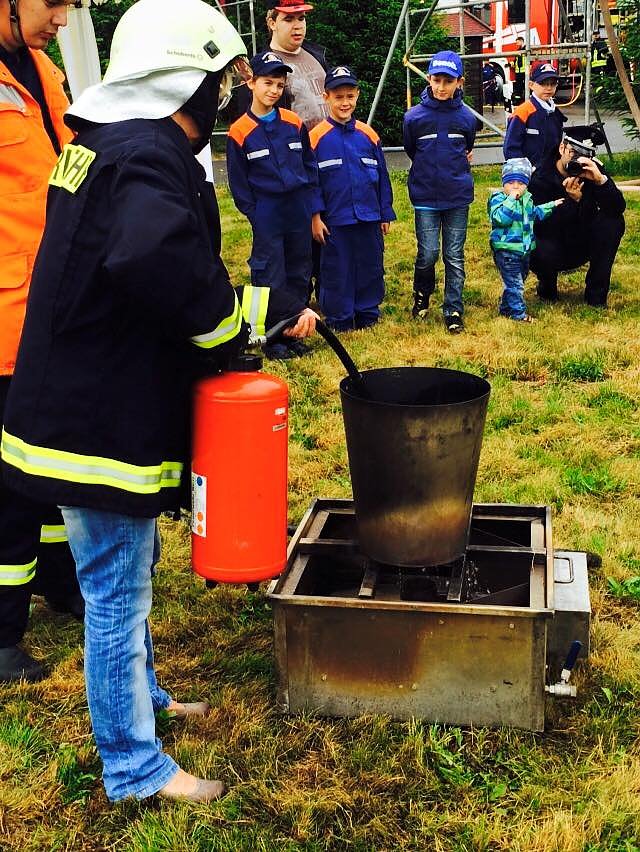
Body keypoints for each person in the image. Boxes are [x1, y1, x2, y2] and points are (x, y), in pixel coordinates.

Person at [1, 0, 316, 804]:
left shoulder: (105, 141)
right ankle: (133, 767)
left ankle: (145, 701)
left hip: (75, 399)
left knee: (125, 575)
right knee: (115, 590)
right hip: (96, 417)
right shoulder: (145, 152)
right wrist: (230, 325)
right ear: (189, 82)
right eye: (217, 81)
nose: (223, 96)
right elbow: (153, 257)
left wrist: (247, 310)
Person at [0, 0, 84, 684]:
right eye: (53, 1)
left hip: (49, 312)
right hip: (3, 326)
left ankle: (61, 583)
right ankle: (1, 637)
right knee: (8, 487)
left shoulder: (43, 70)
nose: (61, 16)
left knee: (52, 459)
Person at [226, 51, 318, 359]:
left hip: (297, 209)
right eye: (268, 83)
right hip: (266, 211)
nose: (274, 91)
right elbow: (239, 184)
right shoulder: (239, 131)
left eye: (280, 85)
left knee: (297, 272)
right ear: (251, 83)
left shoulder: (293, 123)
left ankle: (293, 333)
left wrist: (308, 205)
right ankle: (272, 338)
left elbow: (309, 166)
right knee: (270, 276)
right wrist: (256, 214)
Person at [309, 66, 395, 331]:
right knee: (337, 271)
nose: (345, 102)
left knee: (370, 266)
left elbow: (381, 176)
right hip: (335, 220)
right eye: (338, 97)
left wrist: (385, 212)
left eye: (350, 96)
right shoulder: (315, 138)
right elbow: (310, 183)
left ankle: (367, 311)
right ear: (326, 98)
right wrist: (315, 217)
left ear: (357, 95)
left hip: (368, 217)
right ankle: (340, 317)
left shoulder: (368, 135)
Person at [403, 50, 476, 333]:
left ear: (459, 81)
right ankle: (422, 295)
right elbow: (412, 149)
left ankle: (453, 309)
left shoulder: (466, 118)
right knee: (429, 253)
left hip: (457, 197)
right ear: (429, 79)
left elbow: (467, 147)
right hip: (425, 197)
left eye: (448, 81)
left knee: (454, 256)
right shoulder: (414, 118)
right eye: (436, 80)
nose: (441, 87)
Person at [528, 134, 626, 306]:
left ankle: (596, 296)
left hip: (582, 242)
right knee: (539, 241)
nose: (577, 160)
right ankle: (547, 286)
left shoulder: (591, 170)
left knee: (613, 222)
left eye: (583, 156)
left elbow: (617, 208)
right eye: (573, 152)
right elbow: (540, 224)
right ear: (561, 148)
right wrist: (571, 203)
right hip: (548, 245)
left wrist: (601, 182)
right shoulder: (540, 176)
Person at [488, 157, 563, 322]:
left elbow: (534, 213)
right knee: (515, 284)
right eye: (511, 182)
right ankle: (518, 314)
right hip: (506, 250)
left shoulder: (527, 199)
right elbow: (500, 219)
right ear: (503, 183)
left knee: (517, 280)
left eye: (521, 183)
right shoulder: (499, 199)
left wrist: (551, 205)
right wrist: (510, 200)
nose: (516, 187)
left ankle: (506, 308)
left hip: (524, 249)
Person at [503, 60, 567, 168]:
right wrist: (521, 173)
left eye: (553, 84)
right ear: (531, 85)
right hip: (529, 174)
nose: (548, 88)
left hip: (551, 173)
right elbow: (511, 148)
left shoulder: (556, 113)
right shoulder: (523, 111)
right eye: (543, 83)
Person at [512, 36, 526, 105]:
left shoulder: (526, 49)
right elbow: (515, 60)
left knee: (525, 86)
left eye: (517, 42)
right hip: (518, 72)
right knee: (518, 87)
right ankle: (518, 101)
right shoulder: (518, 51)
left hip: (524, 71)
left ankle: (525, 100)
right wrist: (511, 63)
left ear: (521, 41)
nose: (517, 44)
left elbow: (530, 61)